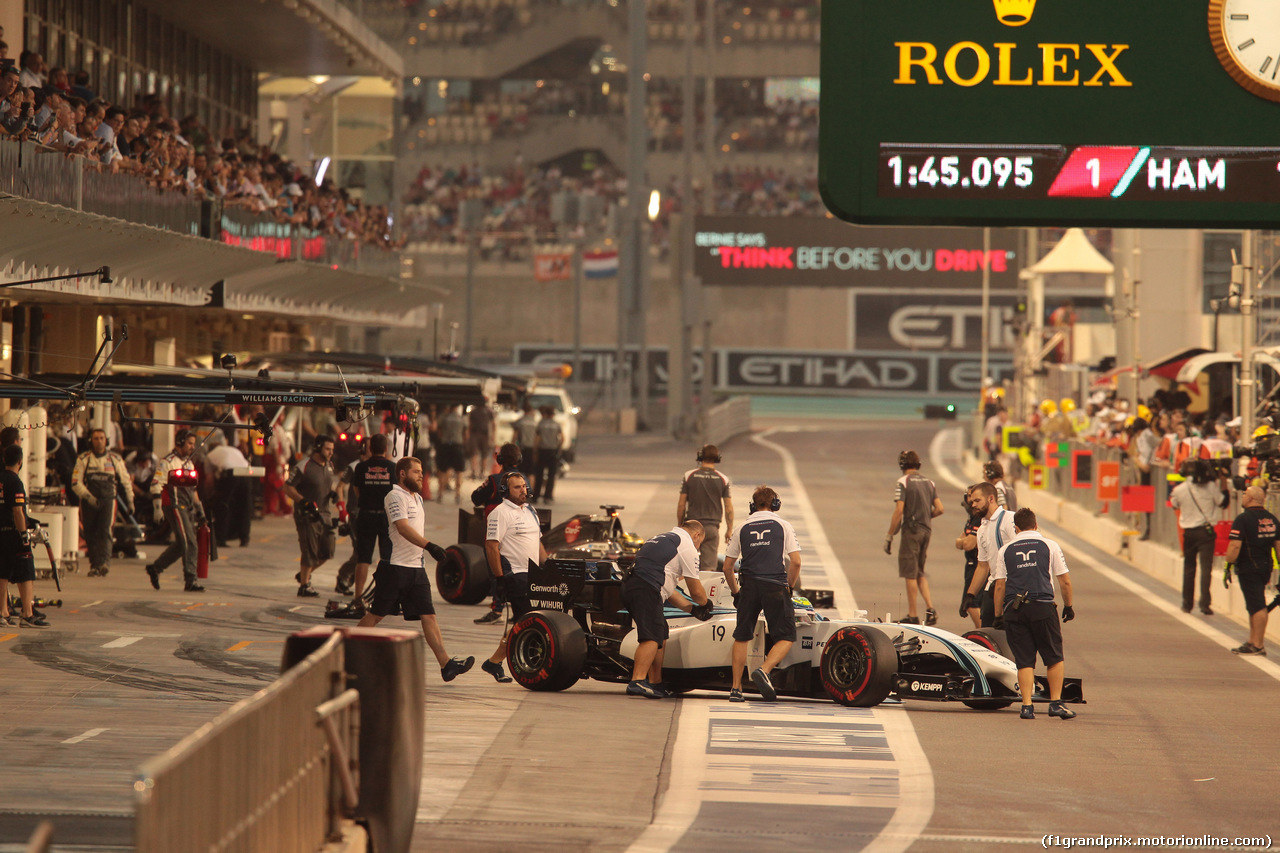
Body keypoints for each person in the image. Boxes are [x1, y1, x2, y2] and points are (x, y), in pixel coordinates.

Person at [357, 456, 475, 683]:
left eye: (421, 472)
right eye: (416, 472)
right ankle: (348, 649)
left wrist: (423, 552)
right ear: (402, 474)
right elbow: (402, 528)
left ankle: (446, 665)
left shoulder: (418, 498)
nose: (421, 475)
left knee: (429, 615)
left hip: (416, 570)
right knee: (376, 615)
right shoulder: (394, 496)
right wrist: (429, 545)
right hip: (394, 568)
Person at [992, 507, 1077, 720]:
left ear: (1016, 528)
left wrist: (998, 615)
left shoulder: (1006, 550)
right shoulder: (1050, 545)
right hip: (1042, 607)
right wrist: (1068, 605)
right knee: (1054, 657)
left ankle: (1027, 706)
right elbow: (1064, 580)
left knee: (1024, 660)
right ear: (1036, 525)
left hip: (1015, 610)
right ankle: (1055, 703)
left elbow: (1000, 585)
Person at [722, 485, 801, 702]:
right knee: (786, 635)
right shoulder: (783, 525)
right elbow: (795, 561)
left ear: (752, 505)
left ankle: (736, 689)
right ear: (776, 504)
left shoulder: (741, 527)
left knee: (742, 636)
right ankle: (764, 670)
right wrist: (789, 586)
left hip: (748, 586)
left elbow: (727, 567)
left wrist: (736, 592)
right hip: (775, 584)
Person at [622, 520, 714, 698]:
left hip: (631, 585)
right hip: (645, 588)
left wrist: (693, 610)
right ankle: (637, 681)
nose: (698, 547)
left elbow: (668, 590)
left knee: (660, 631)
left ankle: (656, 682)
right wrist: (704, 603)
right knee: (651, 635)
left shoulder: (663, 538)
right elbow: (696, 591)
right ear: (697, 535)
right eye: (700, 542)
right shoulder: (687, 546)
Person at [479, 471, 548, 683]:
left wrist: (550, 568)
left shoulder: (531, 511)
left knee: (522, 622)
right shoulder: (499, 513)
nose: (523, 490)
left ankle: (494, 662)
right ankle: (515, 661)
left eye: (524, 486)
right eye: (517, 487)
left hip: (534, 575)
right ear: (505, 491)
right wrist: (499, 579)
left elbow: (538, 544)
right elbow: (491, 546)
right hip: (514, 574)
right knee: (526, 621)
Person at [884, 450, 944, 625]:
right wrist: (926, 517)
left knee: (909, 573)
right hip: (926, 530)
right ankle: (930, 608)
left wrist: (889, 535)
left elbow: (899, 510)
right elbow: (939, 508)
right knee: (919, 572)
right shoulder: (929, 482)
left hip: (911, 530)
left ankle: (913, 615)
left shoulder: (903, 482)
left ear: (902, 465)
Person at [469, 443, 524, 625]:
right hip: (519, 535)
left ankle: (497, 609)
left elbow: (476, 498)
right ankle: (517, 610)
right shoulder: (524, 481)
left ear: (499, 459)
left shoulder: (494, 480)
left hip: (497, 533)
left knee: (496, 571)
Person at [146, 429, 206, 593]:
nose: (192, 447)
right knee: (189, 542)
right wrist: (157, 508)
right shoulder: (167, 462)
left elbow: (193, 490)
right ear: (180, 442)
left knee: (182, 544)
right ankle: (191, 580)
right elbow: (156, 484)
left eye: (194, 444)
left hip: (187, 506)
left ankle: (156, 568)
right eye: (189, 443)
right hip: (173, 504)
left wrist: (200, 511)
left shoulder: (190, 463)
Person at [1168, 459, 1229, 615]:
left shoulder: (1180, 489)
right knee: (1205, 568)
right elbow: (1223, 502)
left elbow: (1174, 504)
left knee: (1189, 569)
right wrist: (1223, 482)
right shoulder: (1211, 488)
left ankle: (1187, 603)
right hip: (1206, 532)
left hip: (1188, 533)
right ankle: (1204, 604)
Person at [346, 433, 397, 615]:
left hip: (366, 515)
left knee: (363, 559)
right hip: (386, 517)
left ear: (369, 448)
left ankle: (358, 597)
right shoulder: (392, 468)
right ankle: (387, 599)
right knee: (387, 559)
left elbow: (357, 489)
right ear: (386, 449)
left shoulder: (361, 467)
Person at [71, 428, 133, 577]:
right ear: (90, 441)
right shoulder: (83, 459)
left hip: (108, 500)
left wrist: (130, 501)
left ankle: (104, 563)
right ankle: (95, 565)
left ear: (107, 440)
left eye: (101, 438)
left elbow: (126, 481)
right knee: (90, 533)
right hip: (88, 501)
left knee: (105, 532)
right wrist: (88, 497)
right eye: (96, 438)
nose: (99, 441)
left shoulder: (115, 459)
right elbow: (75, 483)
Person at [1225, 486, 1279, 656]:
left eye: (1245, 494)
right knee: (1254, 604)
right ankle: (1252, 641)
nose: (1242, 497)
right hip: (1265, 566)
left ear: (1250, 499)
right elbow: (1279, 547)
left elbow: (1234, 545)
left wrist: (1228, 564)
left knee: (1258, 606)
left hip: (1248, 566)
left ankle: (1258, 644)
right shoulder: (1271, 519)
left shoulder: (1243, 519)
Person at [283, 435, 338, 598]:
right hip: (306, 515)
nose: (330, 453)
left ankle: (303, 575)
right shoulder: (303, 466)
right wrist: (303, 501)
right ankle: (305, 585)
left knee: (328, 551)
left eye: (332, 450)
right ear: (318, 447)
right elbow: (287, 488)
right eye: (328, 449)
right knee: (309, 551)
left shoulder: (329, 465)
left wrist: (332, 494)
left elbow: (326, 485)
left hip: (325, 513)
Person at [0, 445, 48, 628]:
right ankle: (27, 614)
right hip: (13, 533)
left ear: (4, 460)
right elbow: (18, 512)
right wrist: (24, 536)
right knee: (26, 568)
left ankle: (3, 612)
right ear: (20, 461)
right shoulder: (15, 482)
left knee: (2, 573)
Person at [961, 481, 1016, 626]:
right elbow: (982, 566)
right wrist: (970, 595)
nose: (973, 505)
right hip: (991, 589)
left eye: (977, 501)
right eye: (972, 502)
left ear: (991, 499)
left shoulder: (1010, 519)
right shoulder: (982, 529)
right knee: (987, 640)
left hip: (1011, 590)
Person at [676, 444, 734, 573]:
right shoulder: (723, 479)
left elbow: (681, 505)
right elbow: (728, 507)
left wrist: (680, 525)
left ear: (700, 457)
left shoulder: (689, 476)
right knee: (708, 570)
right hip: (711, 529)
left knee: (686, 568)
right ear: (717, 458)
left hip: (691, 529)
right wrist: (729, 529)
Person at [206, 432, 252, 548]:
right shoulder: (232, 450)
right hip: (246, 474)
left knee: (224, 506)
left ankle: (221, 538)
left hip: (230, 474)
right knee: (244, 506)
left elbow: (209, 480)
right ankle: (244, 538)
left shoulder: (210, 455)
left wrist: (206, 496)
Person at [954, 486, 984, 629]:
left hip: (979, 565)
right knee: (971, 604)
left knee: (972, 604)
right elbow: (960, 542)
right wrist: (963, 541)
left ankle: (984, 635)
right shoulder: (971, 518)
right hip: (971, 564)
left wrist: (963, 541)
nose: (970, 501)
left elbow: (968, 544)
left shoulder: (979, 518)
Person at [435, 405, 467, 504]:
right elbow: (466, 434)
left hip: (445, 446)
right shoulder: (461, 418)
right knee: (459, 471)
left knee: (442, 470)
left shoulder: (444, 418)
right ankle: (457, 494)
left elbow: (438, 431)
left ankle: (440, 494)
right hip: (457, 446)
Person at [531, 406, 563, 504]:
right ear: (553, 414)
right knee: (551, 475)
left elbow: (537, 438)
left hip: (542, 451)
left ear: (545, 414)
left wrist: (535, 451)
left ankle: (536, 496)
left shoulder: (541, 424)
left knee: (539, 474)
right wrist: (558, 448)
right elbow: (562, 438)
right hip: (552, 452)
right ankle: (548, 496)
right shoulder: (557, 425)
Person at [467, 398, 496, 480]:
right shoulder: (488, 411)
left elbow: (470, 424)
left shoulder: (474, 411)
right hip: (482, 434)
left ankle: (475, 472)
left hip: (476, 434)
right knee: (482, 455)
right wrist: (492, 435)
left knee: (476, 454)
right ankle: (480, 472)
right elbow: (493, 424)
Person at [513, 402, 538, 480]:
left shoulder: (520, 421)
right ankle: (531, 490)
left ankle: (522, 489)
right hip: (532, 449)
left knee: (521, 472)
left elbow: (515, 436)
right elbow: (537, 437)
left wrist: (513, 447)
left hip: (522, 449)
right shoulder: (536, 422)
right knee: (531, 472)